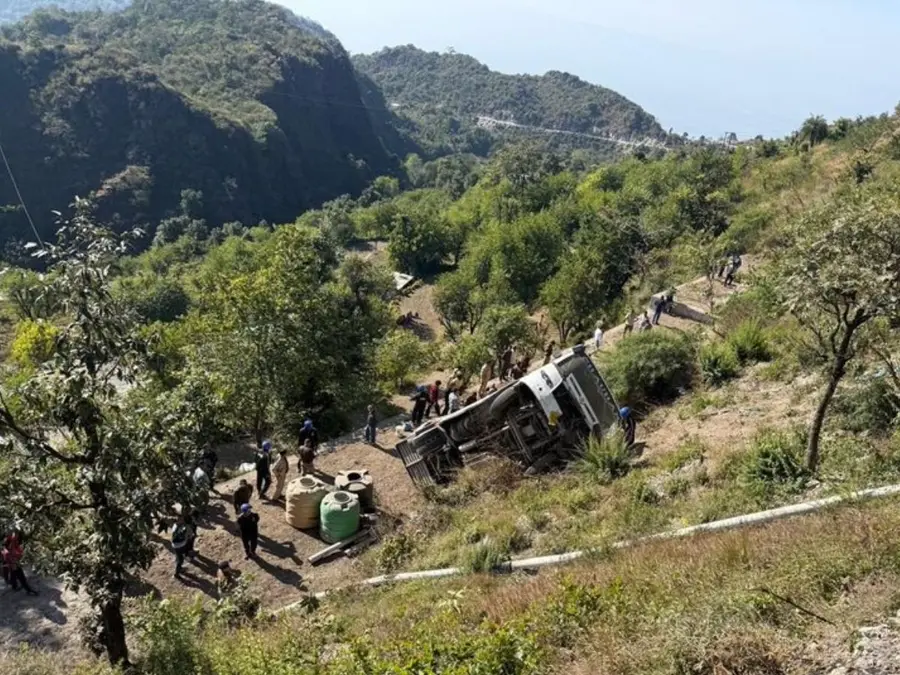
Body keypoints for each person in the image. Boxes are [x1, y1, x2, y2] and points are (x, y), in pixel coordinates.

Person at [171, 514, 194, 579]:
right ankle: (177, 573)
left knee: (178, 555)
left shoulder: (174, 526)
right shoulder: (187, 527)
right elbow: (190, 536)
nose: (182, 520)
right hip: (180, 545)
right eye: (181, 519)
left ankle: (179, 565)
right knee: (180, 559)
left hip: (174, 545)